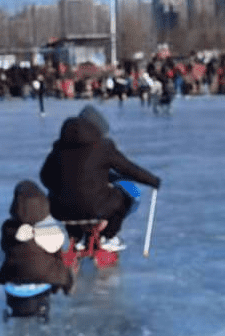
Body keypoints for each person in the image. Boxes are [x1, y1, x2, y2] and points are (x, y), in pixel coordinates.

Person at [39, 105, 160, 253]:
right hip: (95, 208)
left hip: (60, 210)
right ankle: (108, 236)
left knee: (71, 200)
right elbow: (128, 169)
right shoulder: (104, 147)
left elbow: (44, 176)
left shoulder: (59, 147)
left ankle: (76, 238)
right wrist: (152, 180)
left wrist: (62, 186)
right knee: (129, 196)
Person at [0, 180, 75, 320]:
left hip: (14, 274)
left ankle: (15, 308)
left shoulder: (8, 227)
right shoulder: (48, 229)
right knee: (60, 267)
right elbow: (57, 253)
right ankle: (65, 290)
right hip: (42, 276)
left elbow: (5, 247)